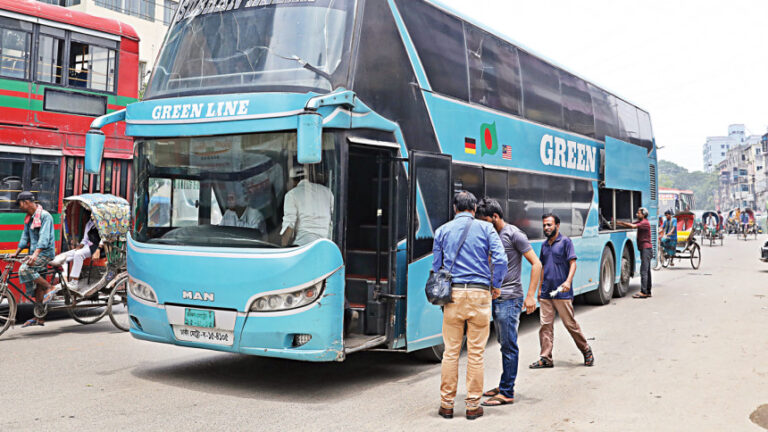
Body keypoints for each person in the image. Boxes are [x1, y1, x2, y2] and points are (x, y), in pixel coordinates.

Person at [432, 191, 507, 420]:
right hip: (479, 294)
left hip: (452, 295)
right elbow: (501, 259)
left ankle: (446, 404)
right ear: (474, 209)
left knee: (451, 352)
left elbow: (437, 267)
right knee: (476, 353)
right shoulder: (486, 229)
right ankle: (473, 406)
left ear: (455, 209)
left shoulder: (442, 231)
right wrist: (496, 285)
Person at [474, 198, 542, 407]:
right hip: (493, 297)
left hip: (510, 299)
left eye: (486, 220)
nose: (483, 225)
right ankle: (504, 384)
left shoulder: (514, 234)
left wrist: (531, 296)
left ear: (495, 216)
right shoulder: (489, 235)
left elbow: (536, 264)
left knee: (509, 346)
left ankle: (507, 392)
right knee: (503, 344)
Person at [530, 213, 594, 369]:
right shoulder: (544, 245)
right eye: (544, 225)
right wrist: (539, 289)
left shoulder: (566, 242)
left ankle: (586, 349)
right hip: (546, 292)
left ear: (557, 226)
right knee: (545, 325)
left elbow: (573, 263)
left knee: (569, 324)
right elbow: (543, 268)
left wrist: (568, 281)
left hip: (562, 291)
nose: (546, 228)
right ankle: (546, 358)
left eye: (549, 225)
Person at [12, 192, 56, 327]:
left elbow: (44, 238)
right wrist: (16, 253)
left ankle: (51, 287)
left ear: (25, 202)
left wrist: (35, 254)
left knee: (24, 269)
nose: (19, 207)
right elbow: (25, 237)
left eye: (20, 204)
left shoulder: (45, 216)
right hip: (34, 253)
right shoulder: (29, 218)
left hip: (45, 254)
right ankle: (39, 318)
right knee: (38, 288)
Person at [281, 166, 334, 246]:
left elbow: (289, 224)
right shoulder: (327, 191)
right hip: (326, 245)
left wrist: (283, 246)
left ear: (292, 180)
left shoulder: (291, 194)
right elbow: (334, 219)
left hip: (303, 246)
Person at [52, 212, 102, 292]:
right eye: (91, 213)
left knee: (78, 254)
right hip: (87, 246)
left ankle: (74, 282)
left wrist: (99, 249)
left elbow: (105, 238)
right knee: (64, 256)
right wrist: (78, 247)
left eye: (93, 213)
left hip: (97, 248)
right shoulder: (89, 223)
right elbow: (85, 239)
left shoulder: (102, 223)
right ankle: (63, 280)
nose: (91, 215)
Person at [617, 207, 653, 299]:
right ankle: (648, 291)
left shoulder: (644, 223)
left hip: (646, 249)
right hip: (645, 249)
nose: (637, 214)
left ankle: (644, 292)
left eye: (639, 213)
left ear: (643, 214)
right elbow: (631, 224)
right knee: (647, 271)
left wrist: (619, 222)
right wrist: (619, 223)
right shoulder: (641, 222)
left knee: (644, 271)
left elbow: (632, 226)